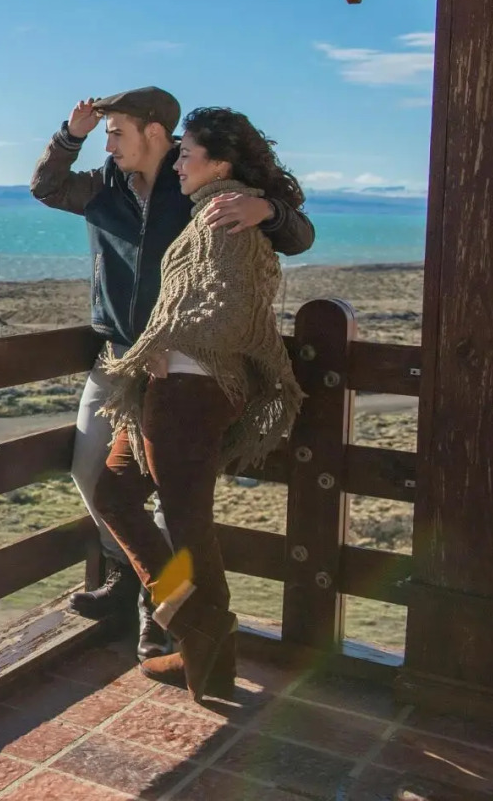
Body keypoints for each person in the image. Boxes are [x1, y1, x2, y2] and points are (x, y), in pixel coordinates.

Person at [31, 88, 313, 660]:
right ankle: (135, 577)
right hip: (120, 356)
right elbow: (46, 186)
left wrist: (270, 211)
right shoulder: (102, 189)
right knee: (96, 475)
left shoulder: (197, 193)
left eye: (116, 133)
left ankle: (162, 617)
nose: (107, 146)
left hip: (180, 369)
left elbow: (294, 237)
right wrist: (70, 134)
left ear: (154, 132)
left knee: (167, 500)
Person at [90, 106, 305, 700]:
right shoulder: (214, 207)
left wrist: (165, 345)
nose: (178, 162)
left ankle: (203, 637)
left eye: (187, 153)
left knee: (185, 524)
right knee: (119, 494)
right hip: (176, 388)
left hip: (189, 390)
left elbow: (226, 305)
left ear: (221, 164)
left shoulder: (224, 211)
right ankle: (199, 638)